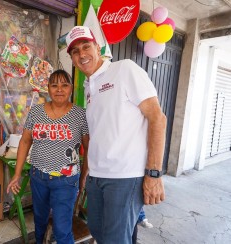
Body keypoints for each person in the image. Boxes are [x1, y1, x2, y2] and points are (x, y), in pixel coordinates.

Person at [66, 26, 167, 244]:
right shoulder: (89, 85)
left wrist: (153, 174)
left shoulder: (124, 69)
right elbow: (99, 134)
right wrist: (86, 175)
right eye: (75, 51)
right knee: (98, 231)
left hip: (124, 177)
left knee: (114, 239)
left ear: (98, 47)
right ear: (72, 59)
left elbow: (157, 118)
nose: (82, 54)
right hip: (97, 176)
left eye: (86, 46)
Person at [6, 69, 89, 244]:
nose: (59, 89)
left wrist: (83, 177)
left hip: (66, 181)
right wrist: (17, 174)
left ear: (71, 89)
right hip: (38, 177)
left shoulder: (80, 114)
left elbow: (88, 148)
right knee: (40, 221)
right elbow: (25, 142)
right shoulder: (36, 112)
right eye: (54, 85)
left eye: (64, 85)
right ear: (48, 88)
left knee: (62, 230)